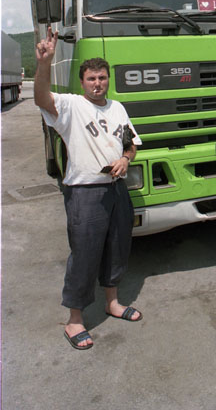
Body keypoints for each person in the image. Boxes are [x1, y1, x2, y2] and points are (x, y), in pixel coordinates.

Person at [34, 27, 143, 350]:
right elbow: (41, 97)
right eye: (92, 79)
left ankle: (112, 302)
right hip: (85, 193)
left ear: (109, 80)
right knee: (84, 255)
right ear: (82, 82)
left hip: (116, 189)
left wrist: (125, 158)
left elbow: (131, 144)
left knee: (117, 248)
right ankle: (75, 320)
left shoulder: (118, 108)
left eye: (102, 78)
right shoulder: (70, 106)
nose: (98, 83)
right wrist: (44, 64)